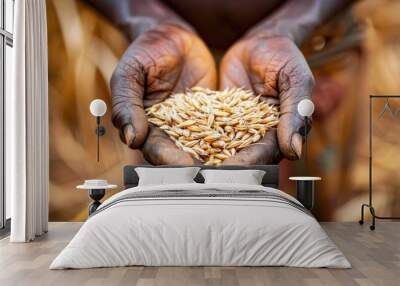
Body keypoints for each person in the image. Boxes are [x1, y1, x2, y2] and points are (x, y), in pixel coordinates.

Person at [87, 0, 352, 165]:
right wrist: (149, 22)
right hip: (166, 69)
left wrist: (289, 25)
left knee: (319, 198)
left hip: (316, 44)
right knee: (169, 200)